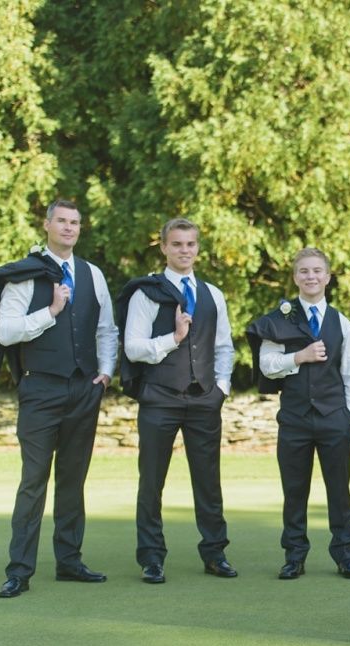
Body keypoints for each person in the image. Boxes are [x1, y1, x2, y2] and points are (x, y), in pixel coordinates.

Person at [0, 199, 118, 598]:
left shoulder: (93, 274)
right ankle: (19, 571)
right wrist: (52, 310)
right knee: (33, 482)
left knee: (73, 481)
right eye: (62, 221)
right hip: (39, 389)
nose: (69, 228)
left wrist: (105, 373)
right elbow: (5, 332)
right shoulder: (26, 274)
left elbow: (106, 329)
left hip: (84, 389)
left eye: (75, 222)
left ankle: (70, 562)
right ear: (47, 225)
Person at [118, 218, 236, 584]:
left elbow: (223, 347)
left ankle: (215, 553)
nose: (185, 250)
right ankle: (152, 558)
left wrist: (221, 388)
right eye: (177, 244)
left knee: (208, 480)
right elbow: (133, 348)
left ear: (197, 248)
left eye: (190, 244)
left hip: (204, 400)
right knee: (152, 481)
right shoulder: (146, 294)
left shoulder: (213, 294)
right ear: (164, 248)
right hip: (159, 399)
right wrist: (173, 337)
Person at [248, 248, 350, 580]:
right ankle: (294, 555)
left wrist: (348, 416)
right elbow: (268, 366)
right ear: (295, 277)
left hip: (334, 419)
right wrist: (298, 357)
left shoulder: (342, 323)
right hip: (295, 419)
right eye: (303, 271)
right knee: (294, 490)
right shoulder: (278, 319)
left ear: (327, 277)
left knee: (339, 490)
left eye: (316, 271)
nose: (310, 276)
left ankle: (345, 554)